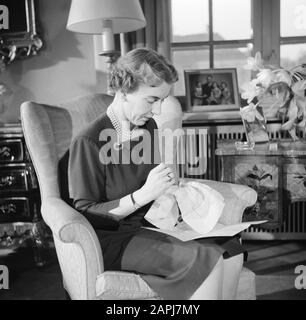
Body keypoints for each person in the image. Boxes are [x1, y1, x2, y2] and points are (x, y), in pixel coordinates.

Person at [68, 48, 244, 300]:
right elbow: (86, 213)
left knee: (231, 248)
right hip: (109, 239)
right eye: (152, 100)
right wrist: (144, 195)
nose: (158, 110)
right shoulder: (88, 141)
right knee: (205, 259)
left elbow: (155, 182)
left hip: (149, 225)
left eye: (162, 100)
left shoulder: (147, 125)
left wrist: (173, 194)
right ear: (125, 90)